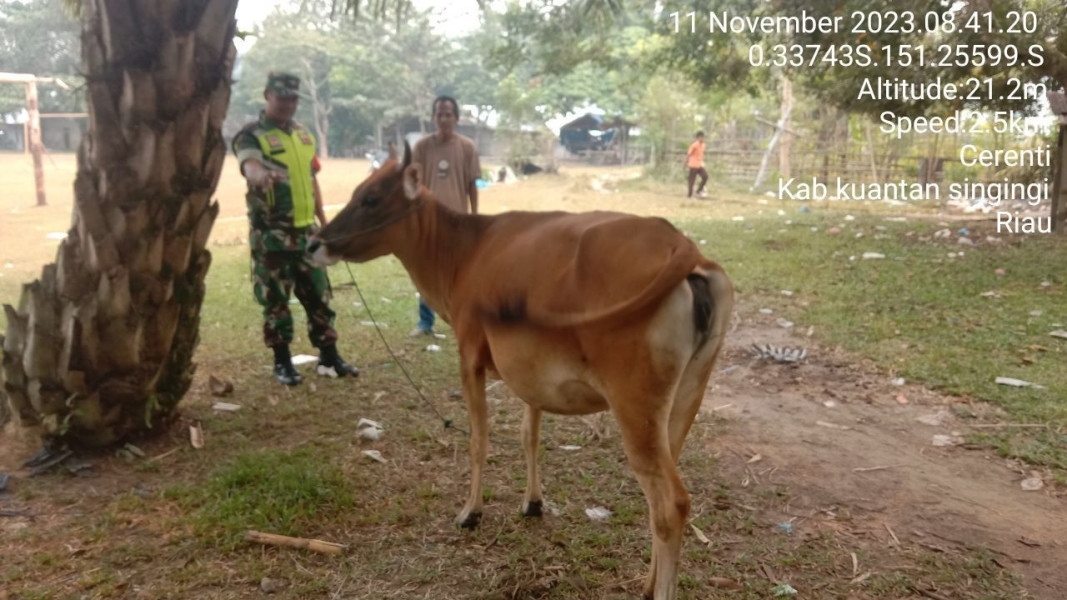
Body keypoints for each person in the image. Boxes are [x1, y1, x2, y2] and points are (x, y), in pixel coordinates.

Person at [232, 72, 359, 385]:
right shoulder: (252, 135)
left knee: (319, 296)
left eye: (292, 99)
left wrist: (324, 225)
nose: (288, 104)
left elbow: (311, 179)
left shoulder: (303, 135)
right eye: (281, 97)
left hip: (307, 234)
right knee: (275, 302)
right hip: (271, 238)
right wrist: (259, 175)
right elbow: (249, 165)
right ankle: (283, 362)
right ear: (267, 95)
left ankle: (329, 357)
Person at [409, 95, 482, 337]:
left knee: (460, 272)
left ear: (457, 118)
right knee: (426, 272)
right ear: (433, 118)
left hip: (458, 222)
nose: (444, 118)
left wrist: (474, 216)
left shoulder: (467, 147)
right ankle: (425, 322)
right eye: (439, 114)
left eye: (448, 114)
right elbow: (413, 183)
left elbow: (472, 184)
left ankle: (461, 319)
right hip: (427, 221)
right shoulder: (422, 147)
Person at [686, 131, 708, 198]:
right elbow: (689, 154)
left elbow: (701, 155)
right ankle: (690, 195)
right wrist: (686, 162)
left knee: (705, 176)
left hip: (699, 164)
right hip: (693, 164)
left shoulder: (703, 145)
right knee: (692, 180)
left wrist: (702, 162)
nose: (703, 139)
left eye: (704, 137)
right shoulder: (694, 145)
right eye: (702, 137)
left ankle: (699, 190)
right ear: (698, 137)